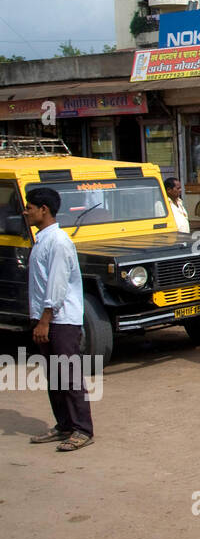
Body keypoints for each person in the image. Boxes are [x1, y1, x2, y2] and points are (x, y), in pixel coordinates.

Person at [24, 187, 94, 452]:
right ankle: (64, 425)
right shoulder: (42, 239)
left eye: (30, 207)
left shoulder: (59, 241)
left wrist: (45, 319)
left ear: (44, 210)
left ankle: (82, 429)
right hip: (44, 318)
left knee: (69, 376)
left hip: (60, 320)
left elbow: (57, 285)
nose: (26, 211)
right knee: (55, 376)